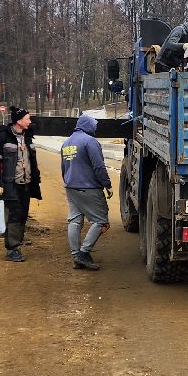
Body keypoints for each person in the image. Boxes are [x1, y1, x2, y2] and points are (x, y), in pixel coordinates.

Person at [0, 106, 41, 262]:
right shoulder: (2, 138)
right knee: (14, 215)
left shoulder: (28, 136)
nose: (30, 121)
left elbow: (32, 161)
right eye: (27, 118)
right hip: (11, 184)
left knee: (23, 214)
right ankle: (12, 249)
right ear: (19, 121)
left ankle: (17, 239)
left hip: (26, 184)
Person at [59, 113, 112, 270]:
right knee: (100, 221)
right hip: (89, 188)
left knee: (75, 220)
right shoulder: (90, 142)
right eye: (94, 125)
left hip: (71, 187)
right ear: (88, 126)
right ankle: (83, 253)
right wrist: (106, 184)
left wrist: (69, 182)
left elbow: (64, 168)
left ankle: (76, 255)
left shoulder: (66, 143)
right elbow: (98, 166)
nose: (95, 128)